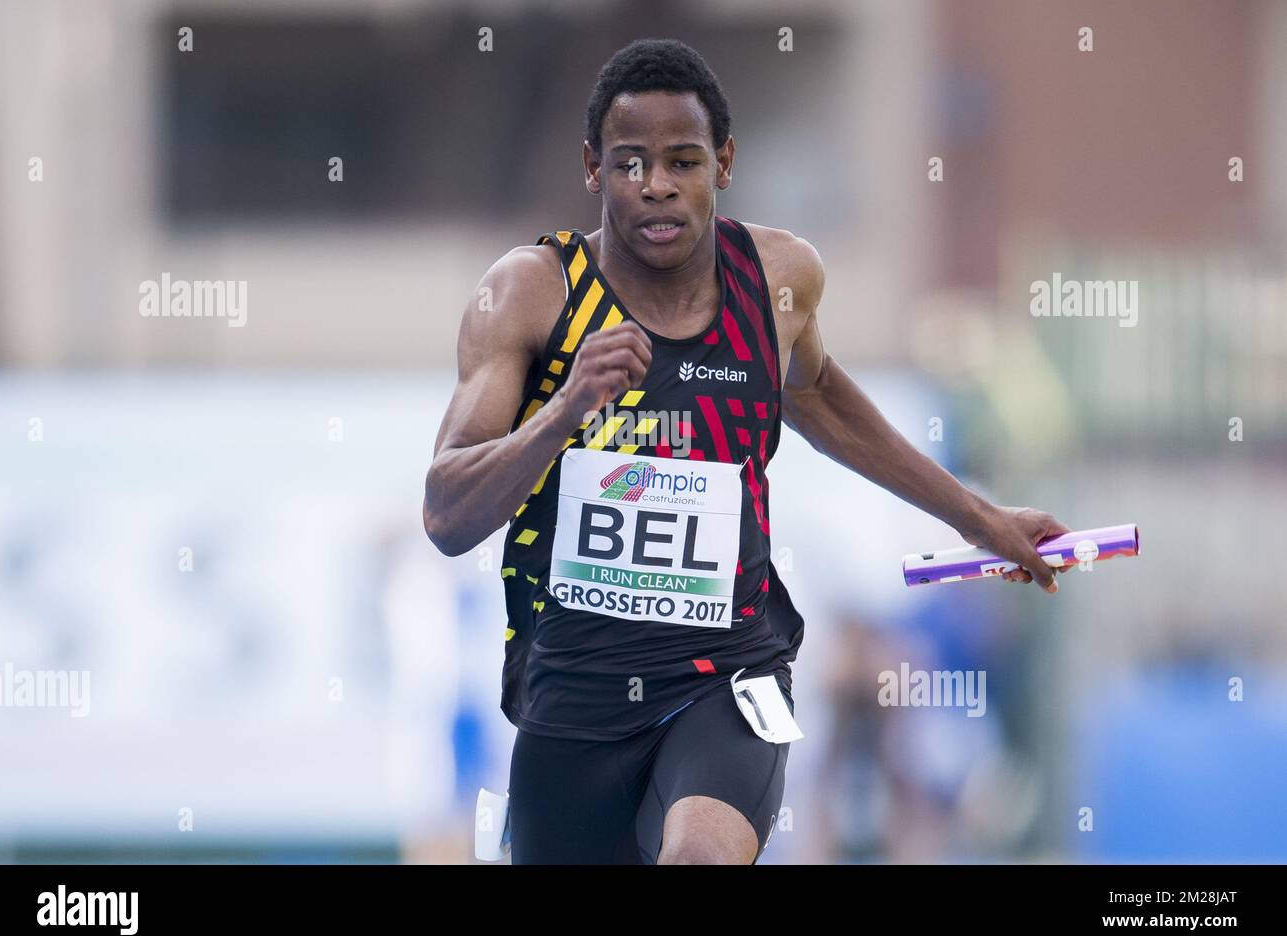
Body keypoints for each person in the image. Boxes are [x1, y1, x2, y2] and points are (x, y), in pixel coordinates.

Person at [423, 38, 1069, 864]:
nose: (657, 184)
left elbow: (820, 397)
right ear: (592, 168)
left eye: (683, 160)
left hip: (728, 673)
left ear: (723, 161)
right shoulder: (528, 294)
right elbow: (447, 511)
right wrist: (564, 410)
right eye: (630, 163)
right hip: (573, 689)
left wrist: (983, 519)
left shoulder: (778, 279)